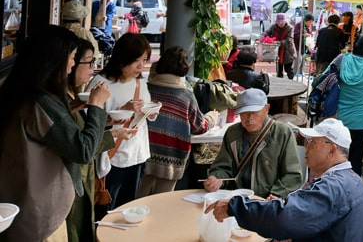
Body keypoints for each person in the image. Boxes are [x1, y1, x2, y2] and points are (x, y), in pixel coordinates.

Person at [0, 25, 110, 242]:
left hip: (18, 206)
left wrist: (68, 111)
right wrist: (96, 106)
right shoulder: (42, 102)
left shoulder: (16, 91)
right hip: (39, 218)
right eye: (71, 57)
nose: (72, 64)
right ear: (53, 60)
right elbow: (83, 151)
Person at [205, 118, 363, 242]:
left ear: (332, 150)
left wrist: (234, 206)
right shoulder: (352, 180)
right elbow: (308, 219)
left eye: (312, 142)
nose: (306, 146)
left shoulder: (334, 186)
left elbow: (285, 218)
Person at [65, 38, 136, 242]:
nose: (93, 67)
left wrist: (113, 128)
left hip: (82, 178)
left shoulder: (73, 97)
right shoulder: (55, 100)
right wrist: (96, 106)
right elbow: (83, 146)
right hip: (72, 183)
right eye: (88, 61)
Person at [88, 32, 153, 214]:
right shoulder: (101, 84)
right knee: (107, 210)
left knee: (128, 209)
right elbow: (90, 121)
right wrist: (123, 109)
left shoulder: (140, 82)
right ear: (122, 58)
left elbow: (145, 108)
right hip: (111, 157)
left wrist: (150, 111)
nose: (141, 66)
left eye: (145, 60)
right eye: (136, 60)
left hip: (137, 153)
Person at [140, 46, 218, 196]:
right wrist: (212, 117)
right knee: (162, 199)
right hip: (172, 157)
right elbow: (200, 126)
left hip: (144, 153)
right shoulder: (185, 95)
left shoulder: (147, 88)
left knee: (138, 198)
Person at [204, 89, 303, 199]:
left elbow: (292, 175)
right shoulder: (233, 133)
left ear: (266, 109)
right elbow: (222, 167)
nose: (249, 119)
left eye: (254, 113)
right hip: (237, 198)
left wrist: (276, 195)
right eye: (244, 113)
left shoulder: (283, 133)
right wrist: (217, 179)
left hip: (268, 200)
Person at [332, 32, 363, 176]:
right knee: (356, 160)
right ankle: (353, 192)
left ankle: (336, 189)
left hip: (340, 117)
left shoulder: (342, 59)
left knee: (337, 159)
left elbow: (327, 77)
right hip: (361, 120)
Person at [264, 13, 296, 79]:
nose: (281, 24)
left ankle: (292, 83)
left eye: (282, 23)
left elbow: (289, 40)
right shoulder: (273, 27)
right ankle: (279, 83)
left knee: (288, 69)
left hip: (288, 52)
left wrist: (278, 43)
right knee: (279, 71)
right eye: (279, 23)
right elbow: (266, 33)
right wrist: (260, 38)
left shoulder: (289, 28)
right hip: (277, 52)